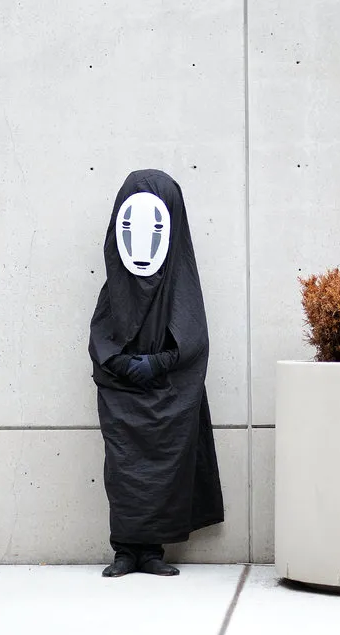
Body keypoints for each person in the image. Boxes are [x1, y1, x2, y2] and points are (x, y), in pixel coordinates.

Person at [89, 169, 224, 577]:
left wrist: (159, 363)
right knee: (125, 469)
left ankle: (152, 552)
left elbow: (193, 338)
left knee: (165, 467)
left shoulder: (181, 284)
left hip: (168, 394)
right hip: (123, 394)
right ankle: (125, 551)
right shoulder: (115, 287)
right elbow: (100, 337)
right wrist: (125, 365)